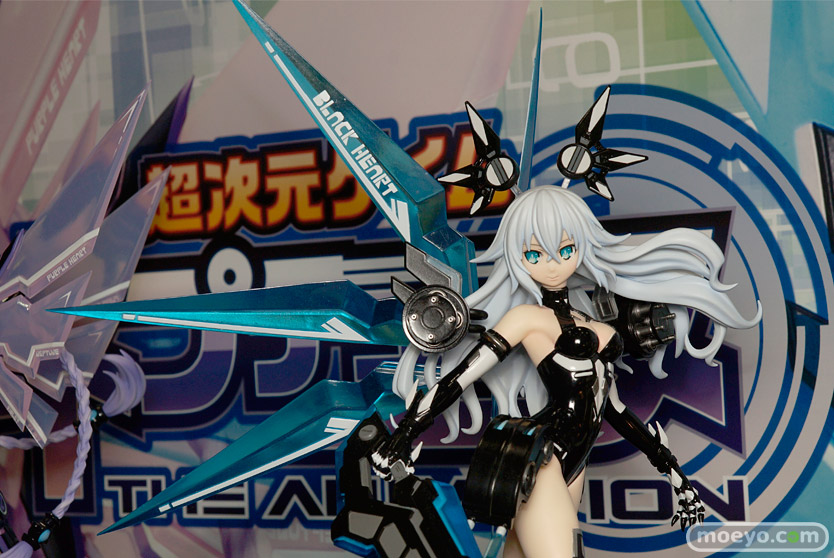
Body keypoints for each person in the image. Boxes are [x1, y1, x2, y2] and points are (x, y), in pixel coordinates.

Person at [373, 185, 762, 558]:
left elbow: (612, 408)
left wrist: (672, 471)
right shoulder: (527, 318)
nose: (553, 263)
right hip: (540, 457)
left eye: (565, 249)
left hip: (574, 463)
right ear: (518, 256)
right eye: (535, 253)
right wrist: (403, 434)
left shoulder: (593, 324)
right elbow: (460, 377)